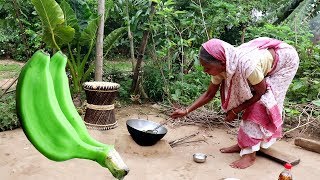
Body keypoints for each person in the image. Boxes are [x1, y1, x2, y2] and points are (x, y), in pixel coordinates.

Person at [170, 37, 299, 169]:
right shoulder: (222, 67)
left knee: (260, 106)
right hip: (261, 62)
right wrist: (186, 111)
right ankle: (244, 144)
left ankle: (250, 154)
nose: (205, 71)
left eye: (207, 67)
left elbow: (261, 92)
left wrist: (234, 111)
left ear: (221, 62)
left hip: (285, 62)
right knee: (250, 102)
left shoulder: (248, 66)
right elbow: (209, 94)